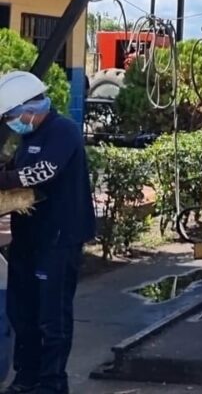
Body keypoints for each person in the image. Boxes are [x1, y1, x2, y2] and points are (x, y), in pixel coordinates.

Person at [0, 71, 95, 394]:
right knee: (21, 311)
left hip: (58, 237)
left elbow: (40, 173)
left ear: (32, 107)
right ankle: (26, 377)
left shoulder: (63, 131)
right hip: (28, 236)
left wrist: (6, 179)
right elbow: (14, 170)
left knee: (51, 316)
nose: (13, 122)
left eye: (13, 116)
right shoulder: (27, 138)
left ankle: (52, 382)